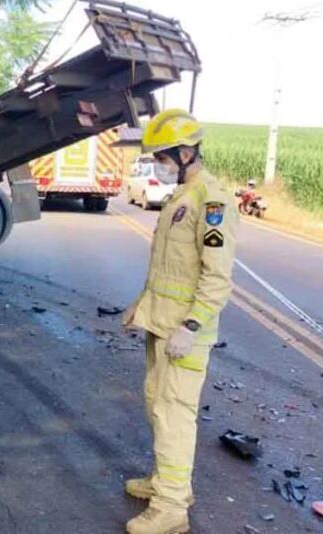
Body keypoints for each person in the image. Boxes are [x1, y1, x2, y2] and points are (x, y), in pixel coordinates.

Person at [121, 109, 238, 534]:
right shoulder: (181, 197)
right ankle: (166, 482)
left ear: (186, 152)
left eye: (163, 158)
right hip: (160, 324)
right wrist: (140, 304)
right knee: (157, 402)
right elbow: (170, 267)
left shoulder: (212, 203)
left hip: (184, 333)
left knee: (174, 414)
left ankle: (171, 510)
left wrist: (191, 328)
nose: (159, 165)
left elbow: (216, 276)